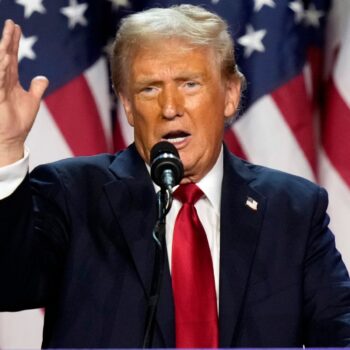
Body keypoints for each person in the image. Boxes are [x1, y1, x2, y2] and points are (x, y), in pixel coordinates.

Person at [0, 4, 350, 348]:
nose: (169, 108)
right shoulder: (73, 193)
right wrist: (6, 147)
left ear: (230, 95)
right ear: (127, 105)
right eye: (149, 88)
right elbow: (11, 286)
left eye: (190, 84)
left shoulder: (293, 210)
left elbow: (340, 333)